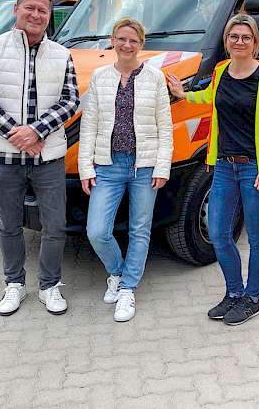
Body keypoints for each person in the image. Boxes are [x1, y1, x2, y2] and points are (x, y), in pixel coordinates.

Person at [167, 13, 259, 326]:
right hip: (223, 167)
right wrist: (183, 94)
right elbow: (210, 98)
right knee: (219, 234)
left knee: (257, 237)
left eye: (246, 37)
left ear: (255, 43)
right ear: (227, 40)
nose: (239, 41)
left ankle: (252, 297)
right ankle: (234, 293)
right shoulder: (221, 70)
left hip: (256, 169)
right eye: (234, 36)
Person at [0, 0, 80, 316]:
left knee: (55, 225)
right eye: (29, 7)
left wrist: (37, 130)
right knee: (9, 224)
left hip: (48, 157)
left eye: (42, 10)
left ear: (49, 15)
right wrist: (15, 133)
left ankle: (49, 285)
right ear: (16, 9)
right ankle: (14, 283)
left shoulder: (62, 54)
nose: (36, 14)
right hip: (4, 157)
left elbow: (71, 100)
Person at [79, 17, 173, 322]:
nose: (127, 45)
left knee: (139, 229)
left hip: (144, 166)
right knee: (97, 231)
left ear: (141, 44)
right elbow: (89, 124)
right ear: (113, 41)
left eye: (133, 40)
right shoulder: (100, 76)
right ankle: (117, 273)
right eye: (121, 38)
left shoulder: (155, 78)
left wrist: (162, 166)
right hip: (108, 165)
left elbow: (165, 126)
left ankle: (128, 288)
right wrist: (85, 167)